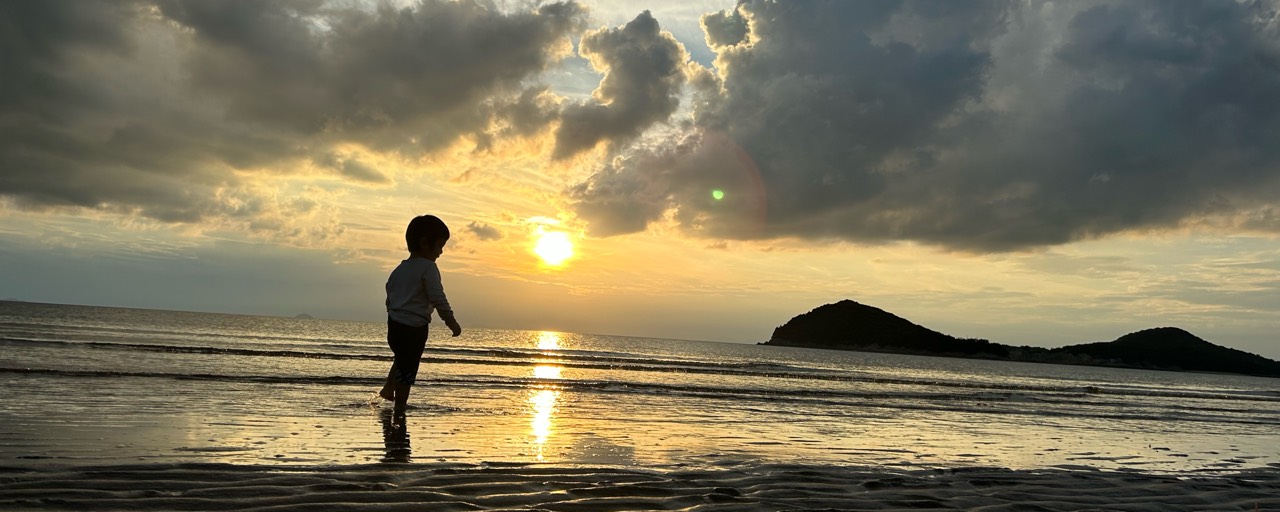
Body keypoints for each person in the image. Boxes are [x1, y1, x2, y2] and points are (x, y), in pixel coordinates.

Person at [379, 214, 462, 413]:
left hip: (394, 325)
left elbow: (389, 292)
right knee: (408, 368)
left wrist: (393, 313)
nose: (441, 251)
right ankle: (400, 407)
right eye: (440, 245)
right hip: (414, 328)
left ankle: (388, 389)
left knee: (401, 358)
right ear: (425, 243)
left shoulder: (400, 268)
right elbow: (437, 298)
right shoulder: (428, 268)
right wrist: (451, 321)